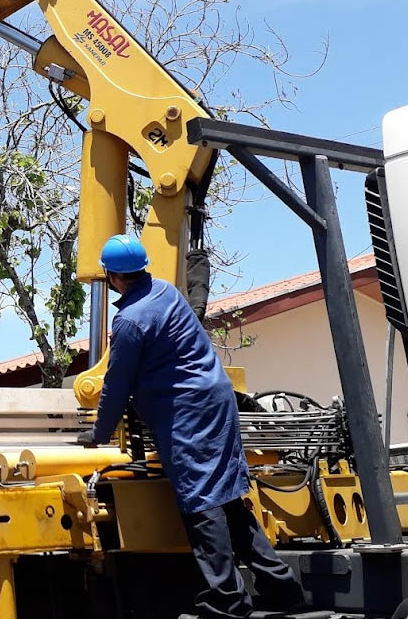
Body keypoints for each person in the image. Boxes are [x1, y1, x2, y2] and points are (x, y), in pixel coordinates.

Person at [76, 234, 305, 619]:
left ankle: (228, 601)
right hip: (218, 400)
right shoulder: (166, 292)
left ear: (112, 276)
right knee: (228, 500)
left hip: (188, 414)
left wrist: (98, 434)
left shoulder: (129, 320)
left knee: (201, 504)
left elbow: (116, 384)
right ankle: (284, 591)